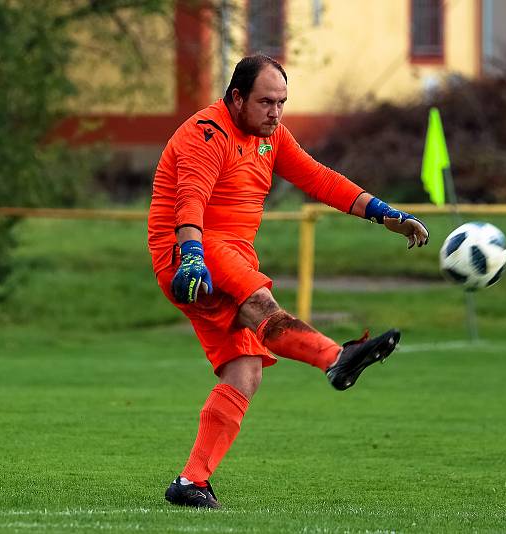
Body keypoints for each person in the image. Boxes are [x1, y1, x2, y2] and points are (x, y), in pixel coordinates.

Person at [148, 54, 429, 509]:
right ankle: (336, 358)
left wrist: (384, 213)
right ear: (236, 98)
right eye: (265, 102)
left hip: (226, 251)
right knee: (261, 303)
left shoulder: (271, 135)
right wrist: (193, 257)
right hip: (191, 248)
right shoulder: (208, 132)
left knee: (246, 372)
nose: (275, 112)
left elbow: (317, 178)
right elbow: (192, 200)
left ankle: (191, 482)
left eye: (282, 102)